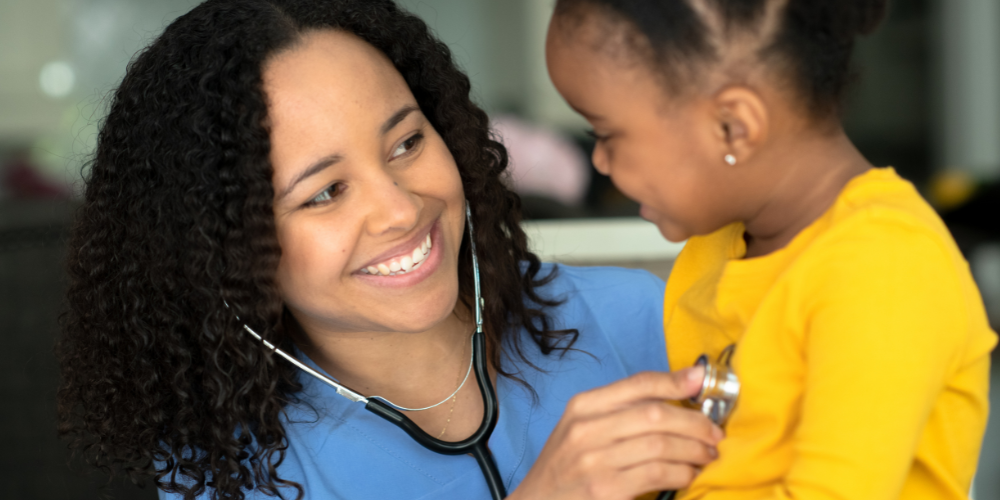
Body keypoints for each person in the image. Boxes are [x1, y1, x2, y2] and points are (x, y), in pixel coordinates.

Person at [55, 1, 725, 499]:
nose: (402, 209)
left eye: (407, 144)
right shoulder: (230, 468)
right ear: (226, 250)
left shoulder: (646, 323)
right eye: (325, 192)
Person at [545, 1, 998, 499]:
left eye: (606, 134)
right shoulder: (718, 248)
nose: (600, 162)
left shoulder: (885, 267)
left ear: (734, 126)